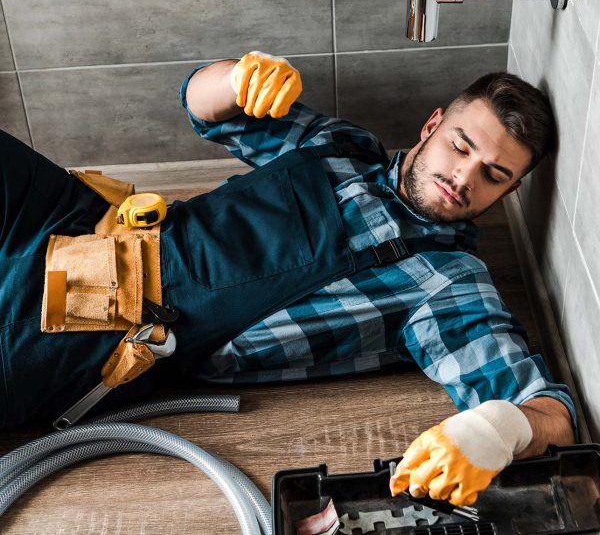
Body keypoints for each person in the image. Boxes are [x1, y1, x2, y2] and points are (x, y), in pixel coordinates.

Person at [0, 51, 576, 508]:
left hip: (99, 324)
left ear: (508, 192)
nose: (463, 177)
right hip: (76, 218)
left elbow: (551, 413)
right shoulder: (341, 147)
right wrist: (238, 75)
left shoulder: (446, 284)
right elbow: (202, 105)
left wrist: (501, 429)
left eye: (493, 174)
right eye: (461, 145)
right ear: (433, 125)